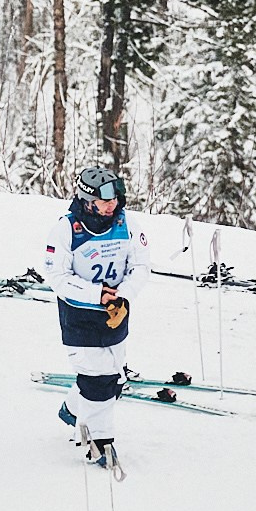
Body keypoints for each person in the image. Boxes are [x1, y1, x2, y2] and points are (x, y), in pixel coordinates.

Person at [41, 164, 149, 477]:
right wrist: (95, 294)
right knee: (99, 384)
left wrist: (121, 295)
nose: (111, 205)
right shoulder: (66, 229)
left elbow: (141, 265)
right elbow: (57, 275)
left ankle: (73, 410)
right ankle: (99, 444)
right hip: (80, 314)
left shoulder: (129, 224)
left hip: (116, 314)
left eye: (115, 198)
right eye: (104, 200)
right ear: (87, 200)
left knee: (113, 380)